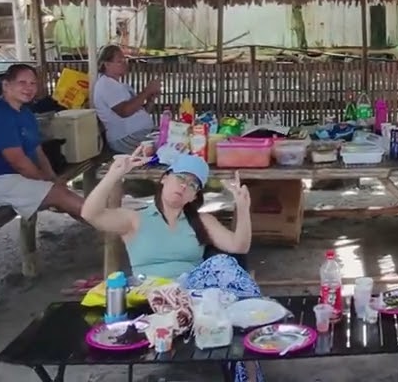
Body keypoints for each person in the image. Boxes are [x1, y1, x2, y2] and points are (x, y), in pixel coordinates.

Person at [83, 154, 263, 381]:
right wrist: (115, 173)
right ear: (165, 179)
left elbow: (239, 245)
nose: (183, 187)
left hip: (194, 296)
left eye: (192, 185)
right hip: (152, 296)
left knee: (224, 264)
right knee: (221, 266)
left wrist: (243, 207)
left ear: (194, 196)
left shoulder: (201, 222)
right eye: (180, 178)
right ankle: (257, 322)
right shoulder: (135, 219)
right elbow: (89, 214)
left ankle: (248, 363)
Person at [0, 63, 86, 219]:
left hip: (12, 177)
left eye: (33, 83)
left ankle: (110, 228)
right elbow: (19, 162)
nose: (28, 88)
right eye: (22, 83)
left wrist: (52, 178)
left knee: (62, 194)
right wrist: (47, 182)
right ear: (6, 85)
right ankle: (113, 227)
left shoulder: (25, 112)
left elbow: (37, 150)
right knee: (60, 195)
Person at [92, 45, 161, 153]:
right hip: (125, 138)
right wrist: (147, 91)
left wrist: (150, 100)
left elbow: (138, 112)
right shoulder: (105, 84)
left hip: (138, 133)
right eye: (120, 61)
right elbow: (124, 112)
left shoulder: (121, 85)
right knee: (168, 145)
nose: (125, 64)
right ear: (107, 64)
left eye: (125, 60)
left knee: (174, 137)